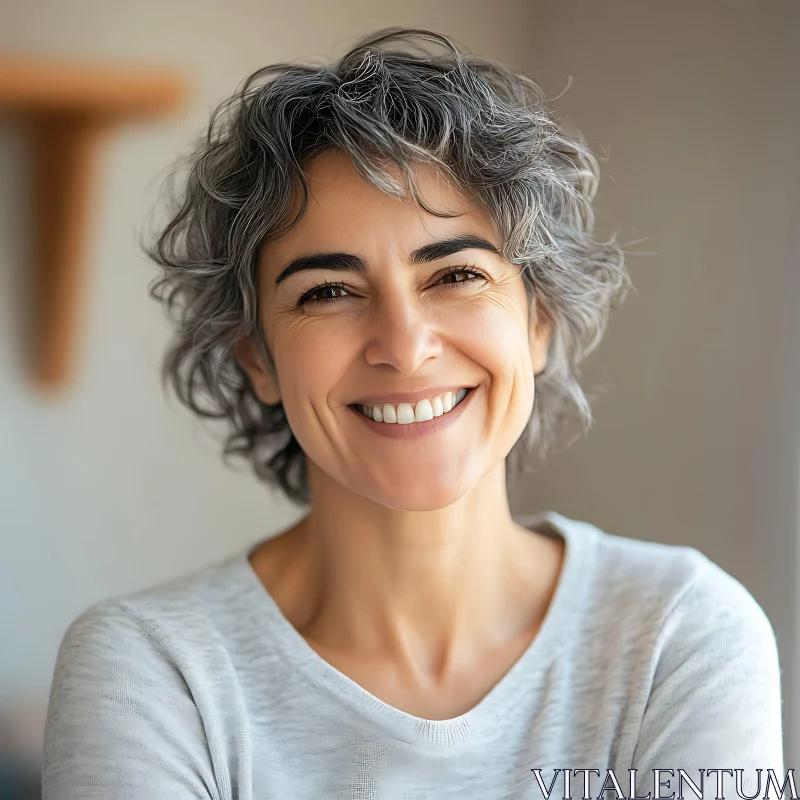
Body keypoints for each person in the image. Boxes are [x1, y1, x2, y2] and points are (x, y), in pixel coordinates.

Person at [41, 27, 784, 800]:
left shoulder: (682, 634)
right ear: (256, 357)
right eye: (327, 292)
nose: (404, 346)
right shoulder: (154, 671)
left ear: (538, 322)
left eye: (456, 274)